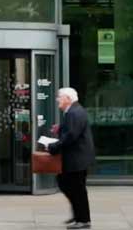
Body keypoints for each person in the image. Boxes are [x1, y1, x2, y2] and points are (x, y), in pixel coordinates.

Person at [47, 87, 95, 230]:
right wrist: (60, 128)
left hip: (77, 158)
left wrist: (54, 146)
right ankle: (78, 215)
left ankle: (83, 220)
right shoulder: (73, 111)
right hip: (76, 157)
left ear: (68, 99)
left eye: (60, 97)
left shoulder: (74, 113)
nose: (57, 100)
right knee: (66, 184)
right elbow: (71, 130)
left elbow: (71, 136)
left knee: (76, 188)